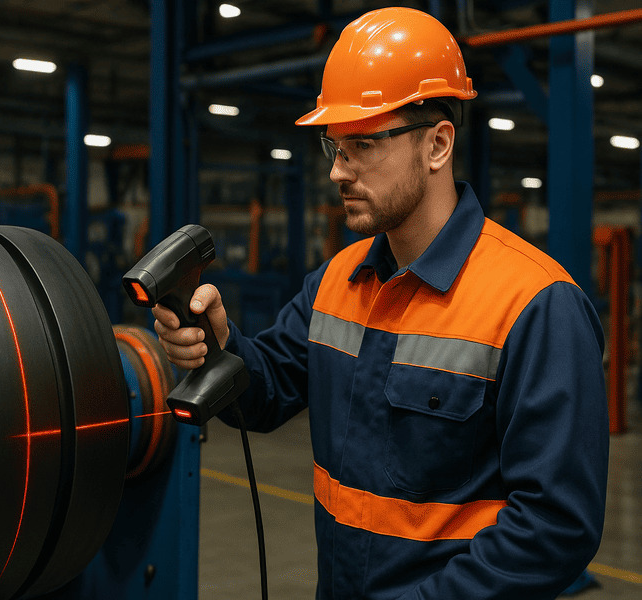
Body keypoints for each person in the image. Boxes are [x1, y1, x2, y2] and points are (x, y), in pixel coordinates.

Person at [153, 7, 609, 600]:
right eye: (333, 145)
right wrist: (217, 346)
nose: (338, 170)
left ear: (437, 144)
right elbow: (263, 394)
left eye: (362, 143)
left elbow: (555, 529)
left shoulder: (535, 305)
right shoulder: (337, 281)